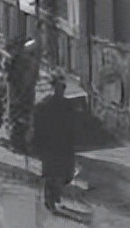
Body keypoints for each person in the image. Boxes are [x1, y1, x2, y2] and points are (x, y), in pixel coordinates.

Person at [32, 70, 77, 213]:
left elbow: (73, 125)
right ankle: (49, 200)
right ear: (53, 88)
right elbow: (37, 126)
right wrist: (36, 143)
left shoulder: (67, 105)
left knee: (64, 174)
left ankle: (55, 196)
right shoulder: (44, 105)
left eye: (63, 88)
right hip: (50, 144)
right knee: (51, 174)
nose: (61, 90)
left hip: (63, 144)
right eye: (58, 87)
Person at [5, 37, 39, 154]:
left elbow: (33, 78)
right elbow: (12, 78)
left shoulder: (31, 62)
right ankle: (16, 143)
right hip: (18, 92)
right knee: (17, 118)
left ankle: (23, 143)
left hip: (27, 92)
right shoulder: (17, 62)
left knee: (25, 119)